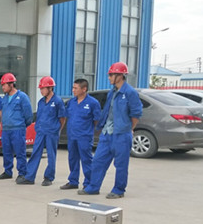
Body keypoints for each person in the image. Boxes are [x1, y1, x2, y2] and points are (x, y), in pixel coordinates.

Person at [79, 62, 142, 198]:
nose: (109, 77)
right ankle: (93, 187)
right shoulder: (112, 92)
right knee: (98, 161)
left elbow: (136, 114)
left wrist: (128, 128)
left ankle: (118, 190)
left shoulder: (130, 92)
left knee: (121, 164)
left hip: (121, 134)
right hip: (107, 133)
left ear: (120, 75)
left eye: (111, 75)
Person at [18, 76, 66, 186]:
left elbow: (62, 118)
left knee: (51, 155)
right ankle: (29, 177)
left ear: (50, 88)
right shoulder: (41, 102)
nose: (41, 91)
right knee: (35, 153)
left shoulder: (58, 101)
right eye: (40, 89)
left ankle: (49, 177)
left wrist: (57, 130)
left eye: (43, 88)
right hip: (40, 131)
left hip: (51, 132)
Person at [61, 78, 101, 190]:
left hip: (84, 136)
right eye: (73, 88)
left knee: (86, 159)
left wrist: (89, 130)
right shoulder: (71, 102)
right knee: (72, 159)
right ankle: (73, 181)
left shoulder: (93, 103)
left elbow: (97, 120)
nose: (73, 90)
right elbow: (67, 116)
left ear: (84, 89)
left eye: (76, 88)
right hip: (72, 136)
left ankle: (88, 183)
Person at [0, 73, 33, 181]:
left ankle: (22, 172)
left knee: (20, 152)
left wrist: (21, 125)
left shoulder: (22, 97)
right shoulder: (4, 99)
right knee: (6, 151)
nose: (3, 87)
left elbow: (28, 115)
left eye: (4, 85)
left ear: (11, 84)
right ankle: (8, 171)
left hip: (18, 129)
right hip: (6, 129)